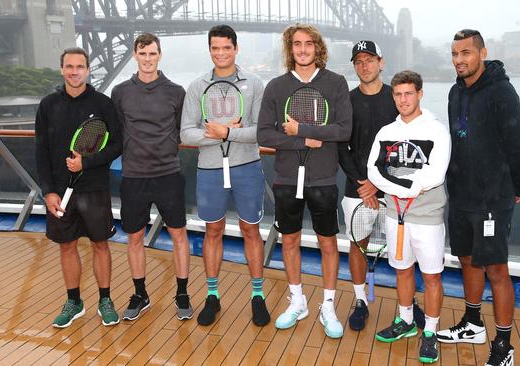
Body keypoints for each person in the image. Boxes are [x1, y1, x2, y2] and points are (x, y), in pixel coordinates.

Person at [436, 29, 520, 366]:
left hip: (492, 199)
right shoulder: (453, 92)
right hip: (461, 196)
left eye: (466, 53)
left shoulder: (502, 92)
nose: (459, 60)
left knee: (496, 270)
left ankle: (504, 345)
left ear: (482, 53)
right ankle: (473, 323)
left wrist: (517, 187)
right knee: (466, 260)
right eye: (454, 54)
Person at [257, 23, 352, 339]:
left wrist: (303, 130)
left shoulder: (336, 84)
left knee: (328, 243)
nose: (302, 49)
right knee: (290, 240)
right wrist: (300, 141)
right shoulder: (275, 86)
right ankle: (297, 301)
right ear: (290, 49)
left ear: (317, 48)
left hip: (323, 178)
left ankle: (327, 305)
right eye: (296, 44)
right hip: (285, 178)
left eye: (308, 43)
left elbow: (343, 130)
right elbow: (264, 134)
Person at [180, 25, 270, 326]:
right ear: (210, 50)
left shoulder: (255, 83)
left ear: (236, 48)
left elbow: (261, 130)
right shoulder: (196, 86)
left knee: (251, 231)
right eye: (215, 48)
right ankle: (212, 296)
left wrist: (229, 131)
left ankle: (258, 297)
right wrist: (219, 135)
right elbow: (187, 134)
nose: (221, 53)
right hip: (209, 170)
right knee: (213, 231)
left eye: (226, 48)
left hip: (247, 168)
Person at [367, 70, 451, 364]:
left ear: (420, 94)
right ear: (394, 97)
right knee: (402, 270)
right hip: (395, 214)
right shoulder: (386, 132)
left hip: (426, 216)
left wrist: (399, 186)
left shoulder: (437, 130)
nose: (403, 99)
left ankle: (430, 331)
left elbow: (435, 175)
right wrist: (402, 188)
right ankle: (405, 322)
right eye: (398, 94)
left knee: (431, 276)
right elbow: (374, 172)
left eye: (409, 93)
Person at [35, 47, 122, 328]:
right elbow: (41, 150)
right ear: (62, 69)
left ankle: (105, 300)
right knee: (67, 246)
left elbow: (117, 145)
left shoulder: (104, 104)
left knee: (100, 244)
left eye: (80, 66)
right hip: (60, 192)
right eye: (69, 66)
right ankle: (74, 302)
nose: (75, 71)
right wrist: (48, 191)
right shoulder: (48, 105)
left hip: (95, 188)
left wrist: (87, 162)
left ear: (87, 70)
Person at [111, 33, 192, 321]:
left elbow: (183, 131)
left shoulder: (176, 91)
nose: (148, 59)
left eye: (152, 54)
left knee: (179, 236)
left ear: (159, 55)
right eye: (142, 54)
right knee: (134, 238)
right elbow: (118, 132)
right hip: (134, 176)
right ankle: (140, 294)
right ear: (135, 55)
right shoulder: (120, 92)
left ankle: (182, 293)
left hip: (168, 174)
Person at [338, 40, 398, 331]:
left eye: (370, 60)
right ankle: (360, 301)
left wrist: (379, 184)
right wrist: (362, 183)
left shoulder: (396, 99)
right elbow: (341, 148)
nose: (365, 66)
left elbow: (402, 147)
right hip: (358, 188)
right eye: (359, 61)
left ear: (381, 62)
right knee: (357, 245)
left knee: (403, 248)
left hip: (393, 188)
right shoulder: (346, 101)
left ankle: (407, 308)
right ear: (354, 66)